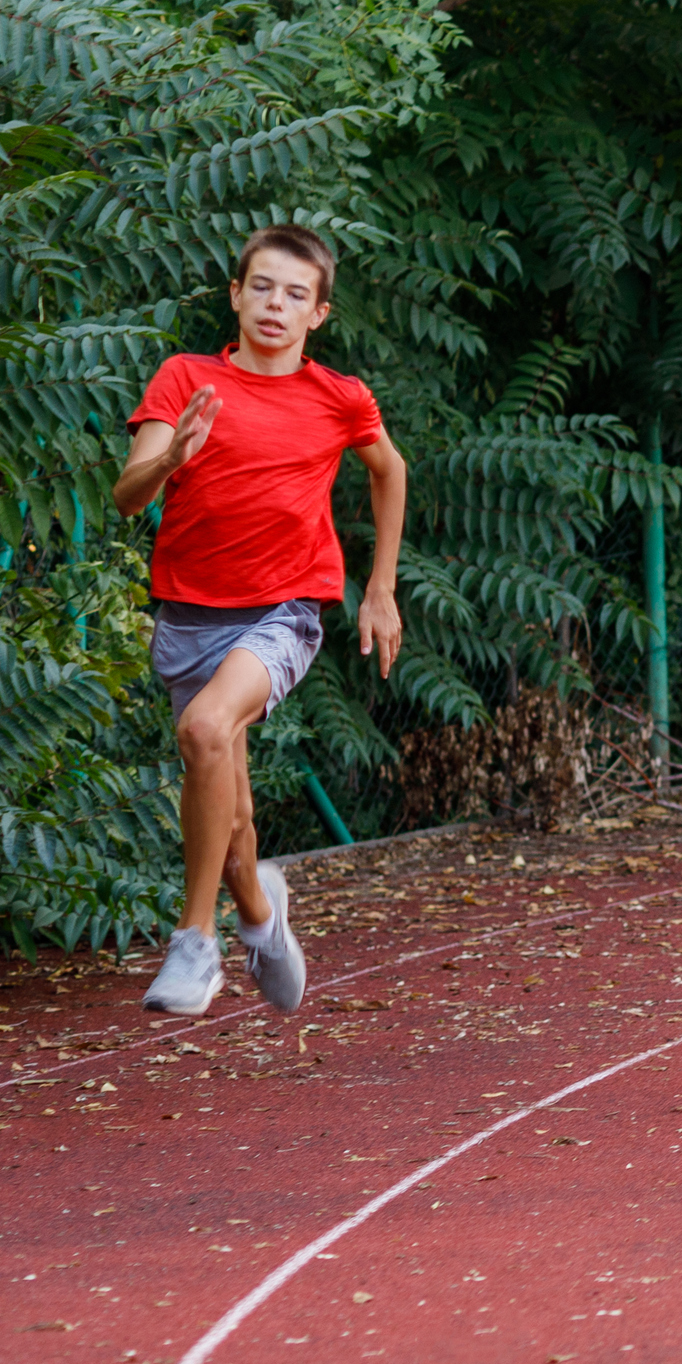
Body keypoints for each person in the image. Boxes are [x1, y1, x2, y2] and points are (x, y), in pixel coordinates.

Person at [115, 226, 407, 1018]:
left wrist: (379, 586)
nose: (276, 304)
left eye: (296, 294)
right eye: (263, 287)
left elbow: (390, 470)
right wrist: (173, 456)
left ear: (318, 314)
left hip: (284, 610)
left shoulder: (339, 397)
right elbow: (128, 494)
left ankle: (195, 942)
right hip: (188, 616)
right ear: (236, 295)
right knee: (232, 819)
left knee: (207, 731)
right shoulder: (185, 379)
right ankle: (259, 913)